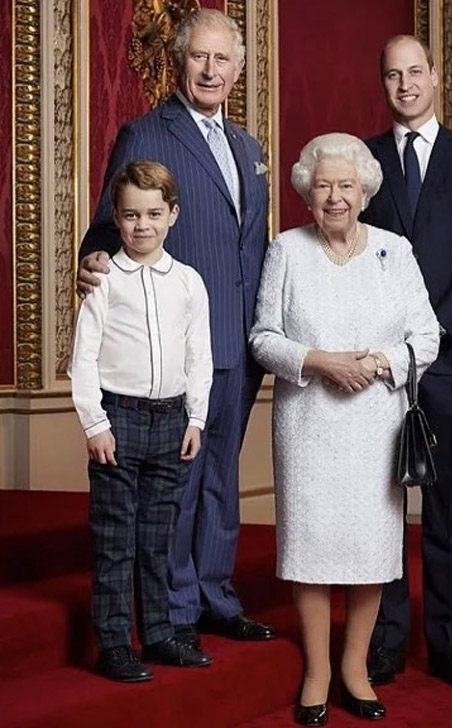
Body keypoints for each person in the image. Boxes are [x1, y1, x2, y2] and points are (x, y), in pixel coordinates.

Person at [77, 9, 274, 660]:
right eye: (199, 57)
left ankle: (217, 596)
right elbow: (107, 226)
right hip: (176, 343)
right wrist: (93, 260)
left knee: (221, 476)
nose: (211, 71)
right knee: (178, 486)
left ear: (237, 70)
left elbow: (250, 247)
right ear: (180, 60)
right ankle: (174, 610)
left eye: (223, 60)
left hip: (240, 341)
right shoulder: (146, 133)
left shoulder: (249, 148)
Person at [250, 133, 440, 726]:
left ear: (364, 191)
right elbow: (263, 338)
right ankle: (317, 671)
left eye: (346, 186)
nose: (335, 197)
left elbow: (426, 337)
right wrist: (320, 361)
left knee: (369, 549)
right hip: (307, 424)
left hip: (375, 425)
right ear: (307, 192)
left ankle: (355, 668)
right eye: (324, 186)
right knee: (309, 547)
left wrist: (379, 363)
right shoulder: (286, 249)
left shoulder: (394, 250)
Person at [362, 34, 452, 689]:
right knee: (384, 507)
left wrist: (433, 329)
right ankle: (386, 641)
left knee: (444, 508)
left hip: (450, 357)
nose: (406, 85)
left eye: (415, 72)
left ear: (434, 77)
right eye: (394, 75)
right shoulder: (362, 160)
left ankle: (447, 644)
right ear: (384, 84)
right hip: (382, 362)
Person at [70, 160, 213, 681]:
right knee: (115, 539)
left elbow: (199, 356)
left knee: (157, 539)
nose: (142, 225)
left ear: (172, 214)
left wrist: (196, 418)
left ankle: (157, 634)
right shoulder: (104, 280)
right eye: (131, 215)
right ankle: (113, 643)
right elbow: (83, 358)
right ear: (116, 217)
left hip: (172, 421)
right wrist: (94, 424)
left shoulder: (189, 282)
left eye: (154, 214)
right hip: (119, 419)